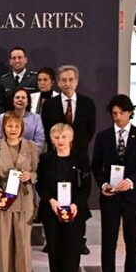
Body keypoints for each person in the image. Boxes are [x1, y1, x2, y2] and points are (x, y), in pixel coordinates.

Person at [92, 95, 136, 272]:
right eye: (114, 114)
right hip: (110, 196)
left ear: (129, 112)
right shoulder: (103, 137)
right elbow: (96, 166)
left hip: (133, 196)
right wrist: (103, 185)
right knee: (108, 241)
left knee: (132, 241)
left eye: (121, 113)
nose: (118, 117)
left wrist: (131, 181)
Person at [41, 65, 96, 255]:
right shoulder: (49, 104)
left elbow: (90, 130)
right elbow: (48, 131)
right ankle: (52, 239)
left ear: (77, 80)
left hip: (78, 158)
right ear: (58, 82)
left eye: (71, 79)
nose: (67, 83)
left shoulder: (88, 103)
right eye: (63, 80)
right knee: (55, 195)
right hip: (56, 158)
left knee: (78, 195)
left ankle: (79, 239)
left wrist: (75, 149)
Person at [36, 123, 91, 272]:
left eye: (63, 137)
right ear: (52, 139)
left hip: (75, 212)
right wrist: (51, 201)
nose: (60, 141)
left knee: (72, 250)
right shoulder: (46, 159)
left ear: (71, 138)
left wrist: (77, 204)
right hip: (52, 211)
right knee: (55, 249)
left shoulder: (80, 158)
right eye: (57, 137)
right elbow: (41, 184)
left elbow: (86, 187)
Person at [0, 111, 39, 272]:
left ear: (22, 128)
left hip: (24, 199)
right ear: (4, 127)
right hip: (3, 200)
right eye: (9, 126)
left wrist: (31, 176)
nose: (13, 129)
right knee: (4, 244)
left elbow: (36, 171)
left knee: (23, 245)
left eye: (16, 126)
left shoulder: (31, 146)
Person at [0, 87, 46, 153]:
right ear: (12, 101)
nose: (20, 100)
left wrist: (26, 156)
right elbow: (0, 139)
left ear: (28, 102)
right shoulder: (2, 117)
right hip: (7, 156)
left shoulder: (36, 118)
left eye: (23, 98)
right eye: (17, 97)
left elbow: (40, 141)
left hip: (30, 157)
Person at [0, 47, 38, 113]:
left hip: (29, 118)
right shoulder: (4, 80)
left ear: (25, 60)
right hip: (9, 120)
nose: (17, 61)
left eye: (20, 57)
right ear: (10, 61)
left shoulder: (34, 79)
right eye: (14, 58)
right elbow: (0, 103)